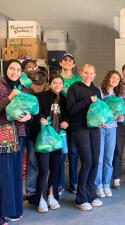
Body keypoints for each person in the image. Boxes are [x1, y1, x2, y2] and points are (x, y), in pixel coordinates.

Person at [29, 74, 69, 212]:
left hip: (57, 140)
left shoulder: (64, 99)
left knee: (55, 169)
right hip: (44, 140)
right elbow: (33, 112)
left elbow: (68, 114)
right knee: (43, 170)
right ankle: (40, 199)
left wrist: (66, 121)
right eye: (54, 82)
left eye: (60, 83)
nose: (57, 85)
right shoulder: (40, 96)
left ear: (62, 85)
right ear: (49, 83)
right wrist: (40, 118)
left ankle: (52, 196)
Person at [67, 64, 104, 211]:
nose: (88, 75)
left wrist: (102, 122)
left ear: (94, 75)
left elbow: (99, 110)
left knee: (95, 162)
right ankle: (81, 198)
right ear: (81, 73)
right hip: (79, 128)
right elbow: (71, 109)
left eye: (91, 73)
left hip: (94, 129)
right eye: (86, 72)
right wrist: (88, 100)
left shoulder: (96, 90)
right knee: (87, 162)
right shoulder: (74, 88)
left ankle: (90, 194)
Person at [0, 60, 32, 224]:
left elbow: (30, 109)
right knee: (5, 173)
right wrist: (10, 96)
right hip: (4, 134)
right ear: (6, 70)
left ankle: (14, 209)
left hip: (19, 135)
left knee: (16, 172)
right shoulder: (1, 85)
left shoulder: (23, 88)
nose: (15, 72)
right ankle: (4, 210)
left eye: (18, 69)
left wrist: (29, 117)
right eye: (12, 69)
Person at [21, 59, 49, 205]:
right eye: (28, 67)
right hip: (18, 126)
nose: (32, 69)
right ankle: (14, 191)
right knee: (17, 160)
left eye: (34, 67)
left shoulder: (42, 85)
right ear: (22, 70)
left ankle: (31, 191)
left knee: (32, 160)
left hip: (34, 127)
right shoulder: (17, 84)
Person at [94, 70, 125, 198]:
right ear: (108, 78)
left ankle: (106, 184)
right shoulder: (99, 92)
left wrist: (121, 116)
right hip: (100, 130)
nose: (115, 80)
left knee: (108, 159)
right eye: (113, 78)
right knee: (99, 160)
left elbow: (121, 118)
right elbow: (95, 111)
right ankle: (98, 186)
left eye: (117, 79)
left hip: (112, 130)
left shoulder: (119, 96)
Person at [58, 53, 81, 195]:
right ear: (60, 63)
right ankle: (60, 183)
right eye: (65, 60)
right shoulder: (56, 79)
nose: (67, 62)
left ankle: (73, 182)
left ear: (73, 65)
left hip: (74, 122)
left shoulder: (78, 80)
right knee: (60, 153)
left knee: (73, 152)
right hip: (59, 122)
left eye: (70, 61)